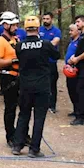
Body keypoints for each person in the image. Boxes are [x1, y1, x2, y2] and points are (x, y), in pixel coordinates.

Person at [12, 15, 60, 157]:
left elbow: (20, 58)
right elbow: (56, 55)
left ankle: (17, 145)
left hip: (25, 86)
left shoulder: (20, 46)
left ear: (25, 29)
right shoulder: (45, 44)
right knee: (39, 117)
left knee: (23, 115)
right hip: (42, 86)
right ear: (38, 28)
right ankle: (34, 149)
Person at [0, 11, 21, 148]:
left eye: (16, 25)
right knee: (10, 108)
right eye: (13, 25)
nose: (16, 28)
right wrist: (14, 59)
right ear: (5, 25)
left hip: (18, 76)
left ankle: (20, 134)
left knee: (22, 107)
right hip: (8, 77)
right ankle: (10, 136)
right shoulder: (0, 43)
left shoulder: (15, 40)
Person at [38, 12, 62, 114]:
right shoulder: (39, 30)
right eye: (44, 19)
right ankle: (40, 104)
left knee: (52, 84)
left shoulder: (56, 31)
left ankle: (52, 106)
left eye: (47, 19)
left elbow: (54, 42)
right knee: (39, 83)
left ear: (51, 19)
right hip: (39, 61)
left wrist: (42, 45)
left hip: (51, 62)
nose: (45, 21)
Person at [65, 23, 81, 119]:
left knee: (76, 90)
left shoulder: (79, 42)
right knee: (70, 90)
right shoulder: (72, 41)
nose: (69, 32)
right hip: (68, 69)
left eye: (71, 30)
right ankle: (75, 109)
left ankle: (79, 111)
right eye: (69, 30)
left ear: (77, 31)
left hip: (75, 69)